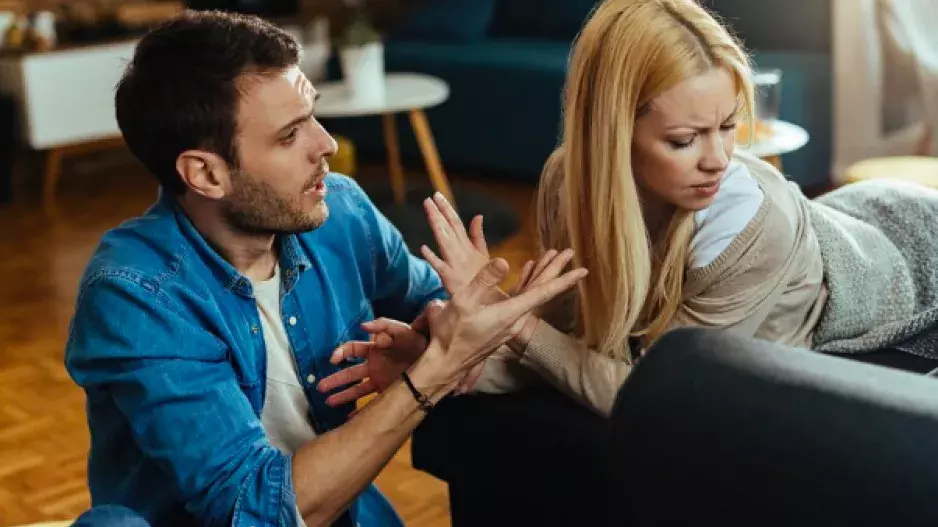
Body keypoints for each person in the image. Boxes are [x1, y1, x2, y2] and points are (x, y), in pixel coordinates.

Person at [62, 10, 588, 527]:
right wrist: (436, 368)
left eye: (311, 114)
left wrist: (464, 320)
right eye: (290, 135)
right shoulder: (135, 295)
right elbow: (254, 509)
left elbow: (437, 309)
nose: (327, 144)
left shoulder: (341, 210)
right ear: (206, 174)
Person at [320, 0, 938, 418]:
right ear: (613, 134)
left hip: (909, 253)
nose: (719, 159)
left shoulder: (749, 224)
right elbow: (573, 344)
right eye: (685, 139)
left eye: (729, 127)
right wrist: (438, 362)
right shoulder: (567, 181)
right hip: (854, 218)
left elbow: (656, 396)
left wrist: (512, 323)